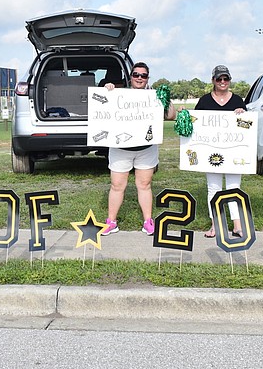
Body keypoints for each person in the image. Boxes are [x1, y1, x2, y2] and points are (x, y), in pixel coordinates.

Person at [101, 62, 177, 235]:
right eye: (136, 75)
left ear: (147, 78)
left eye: (143, 75)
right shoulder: (119, 94)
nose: (139, 78)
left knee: (144, 184)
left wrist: (164, 96)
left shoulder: (154, 97)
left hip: (146, 149)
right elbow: (103, 104)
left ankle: (148, 221)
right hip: (121, 149)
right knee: (117, 185)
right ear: (131, 77)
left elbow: (171, 115)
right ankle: (111, 221)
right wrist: (108, 89)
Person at [194, 64, 247, 238]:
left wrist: (242, 114)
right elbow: (195, 124)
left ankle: (237, 225)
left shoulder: (238, 100)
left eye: (226, 79)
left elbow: (246, 127)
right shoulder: (204, 101)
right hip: (211, 153)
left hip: (233, 153)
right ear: (213, 81)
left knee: (234, 187)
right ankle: (216, 224)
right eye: (219, 79)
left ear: (230, 80)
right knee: (214, 187)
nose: (223, 82)